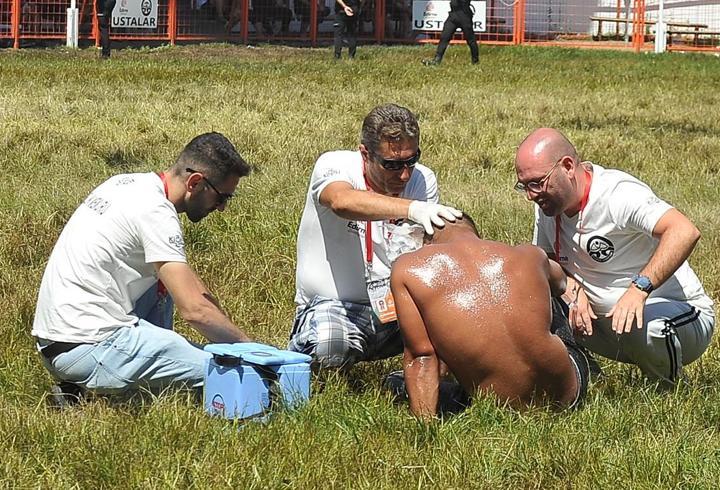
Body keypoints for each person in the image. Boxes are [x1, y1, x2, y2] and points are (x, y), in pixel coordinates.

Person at [32, 132, 253, 403]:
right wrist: (252, 353)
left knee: (168, 282)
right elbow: (195, 310)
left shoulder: (124, 183)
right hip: (90, 347)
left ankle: (90, 389)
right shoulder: (156, 212)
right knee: (234, 373)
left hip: (57, 340)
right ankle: (91, 393)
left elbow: (190, 285)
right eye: (221, 198)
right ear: (195, 182)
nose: (221, 208)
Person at [514, 128, 715, 386]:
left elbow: (684, 231)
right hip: (604, 326)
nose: (531, 194)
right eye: (524, 186)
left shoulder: (617, 194)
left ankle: (670, 390)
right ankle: (582, 376)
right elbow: (546, 262)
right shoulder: (548, 205)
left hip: (676, 316)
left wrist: (640, 288)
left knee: (646, 328)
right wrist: (572, 290)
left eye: (537, 183)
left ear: (566, 166)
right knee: (531, 298)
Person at [288, 103, 462, 371]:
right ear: (365, 153)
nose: (404, 174)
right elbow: (341, 201)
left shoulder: (423, 179)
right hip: (333, 307)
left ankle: (409, 382)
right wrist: (413, 209)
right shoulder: (334, 164)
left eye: (411, 160)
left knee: (461, 328)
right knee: (330, 344)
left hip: (396, 310)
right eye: (392, 165)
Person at [389, 214, 589, 418]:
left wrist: (425, 429)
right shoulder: (530, 254)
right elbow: (562, 285)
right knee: (545, 289)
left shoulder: (409, 270)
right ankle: (592, 370)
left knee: (396, 380)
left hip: (499, 407)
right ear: (475, 233)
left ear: (426, 241)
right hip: (569, 395)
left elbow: (421, 356)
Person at [422, 0, 478, 66]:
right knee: (444, 37)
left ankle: (475, 61)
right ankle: (437, 60)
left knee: (471, 40)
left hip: (465, 16)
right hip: (453, 15)